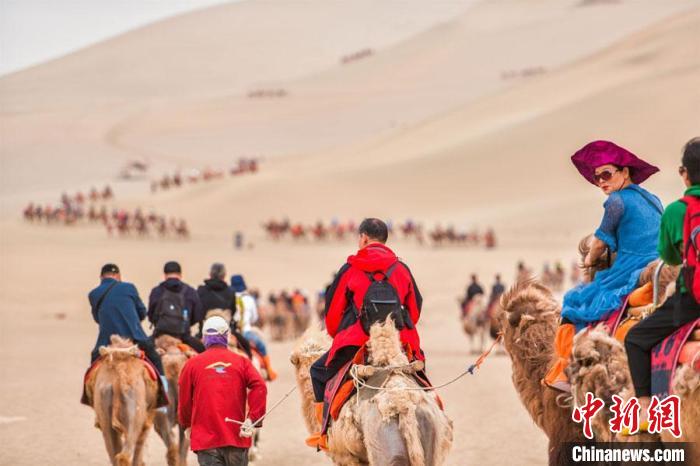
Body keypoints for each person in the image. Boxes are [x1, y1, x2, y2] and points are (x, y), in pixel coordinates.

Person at [544, 140, 663, 392]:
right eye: (597, 177)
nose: (601, 182)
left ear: (625, 172)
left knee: (577, 301)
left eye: (607, 174)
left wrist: (589, 261)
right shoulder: (652, 199)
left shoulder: (616, 202)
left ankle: (566, 372)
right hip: (660, 263)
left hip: (633, 267)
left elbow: (600, 242)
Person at [306, 218, 423, 448]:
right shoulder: (401, 269)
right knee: (419, 375)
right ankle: (435, 408)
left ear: (364, 238)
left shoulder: (350, 269)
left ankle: (323, 434)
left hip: (356, 344)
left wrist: (340, 335)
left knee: (318, 371)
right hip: (398, 343)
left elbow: (332, 315)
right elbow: (415, 310)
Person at [625, 138, 700, 430]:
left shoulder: (675, 211)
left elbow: (668, 256)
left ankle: (644, 410)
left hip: (690, 302)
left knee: (635, 339)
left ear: (684, 173)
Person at [179, 316, 267, 466]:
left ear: (204, 338)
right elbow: (260, 386)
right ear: (226, 336)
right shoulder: (242, 361)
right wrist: (252, 419)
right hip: (237, 437)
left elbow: (184, 400)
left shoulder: (191, 364)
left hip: (206, 441)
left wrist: (187, 424)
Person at [88, 263, 165, 378]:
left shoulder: (93, 294)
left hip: (107, 340)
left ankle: (88, 395)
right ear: (118, 276)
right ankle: (164, 391)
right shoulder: (129, 287)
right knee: (156, 359)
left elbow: (97, 319)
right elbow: (142, 312)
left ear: (101, 277)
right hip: (134, 338)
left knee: (92, 370)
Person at [149, 261, 205, 353]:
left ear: (165, 275)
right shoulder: (190, 291)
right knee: (204, 353)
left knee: (144, 351)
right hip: (183, 336)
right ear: (180, 274)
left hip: (160, 335)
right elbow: (198, 315)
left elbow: (151, 316)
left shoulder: (157, 291)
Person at [231, 274, 277, 381]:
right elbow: (254, 318)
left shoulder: (229, 297)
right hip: (245, 332)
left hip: (230, 333)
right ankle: (269, 371)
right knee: (261, 346)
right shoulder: (249, 299)